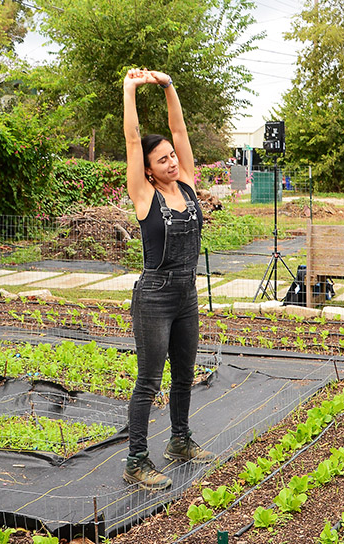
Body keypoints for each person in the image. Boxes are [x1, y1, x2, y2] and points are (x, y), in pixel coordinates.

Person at [122, 67, 215, 490]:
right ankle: (136, 460)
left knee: (184, 373)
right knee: (148, 381)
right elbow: (131, 137)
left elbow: (178, 128)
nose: (172, 161)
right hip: (155, 297)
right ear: (147, 170)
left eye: (172, 156)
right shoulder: (145, 196)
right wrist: (131, 91)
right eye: (162, 159)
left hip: (186, 294)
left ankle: (179, 440)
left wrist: (169, 86)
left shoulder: (188, 186)